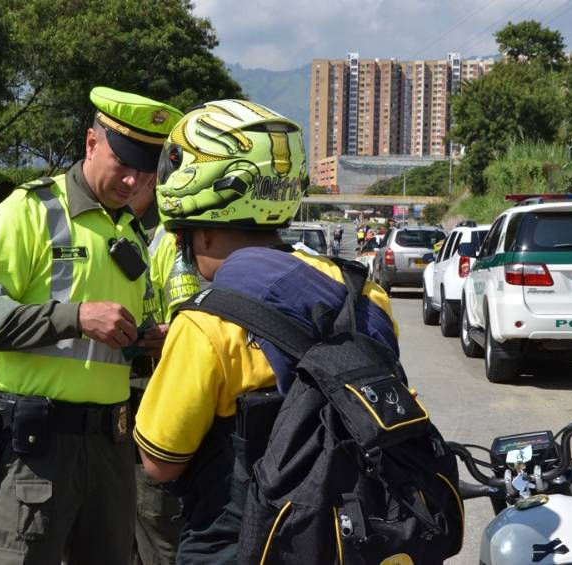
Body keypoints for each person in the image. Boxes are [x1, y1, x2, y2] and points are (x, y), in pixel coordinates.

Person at [133, 100, 399, 564]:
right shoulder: (364, 293)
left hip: (247, 544)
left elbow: (160, 463)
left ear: (204, 233)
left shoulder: (206, 323)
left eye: (183, 237)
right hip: (351, 536)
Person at [0, 86, 181, 565]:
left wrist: (146, 341)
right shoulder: (29, 211)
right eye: (123, 163)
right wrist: (76, 316)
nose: (133, 181)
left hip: (110, 447)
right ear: (91, 143)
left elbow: (114, 344)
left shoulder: (131, 232)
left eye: (145, 170)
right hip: (36, 448)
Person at [127, 156, 201, 565]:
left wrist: (173, 332)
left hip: (152, 399)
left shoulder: (168, 237)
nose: (127, 181)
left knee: (157, 524)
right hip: (101, 406)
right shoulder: (100, 226)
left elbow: (188, 316)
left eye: (138, 172)